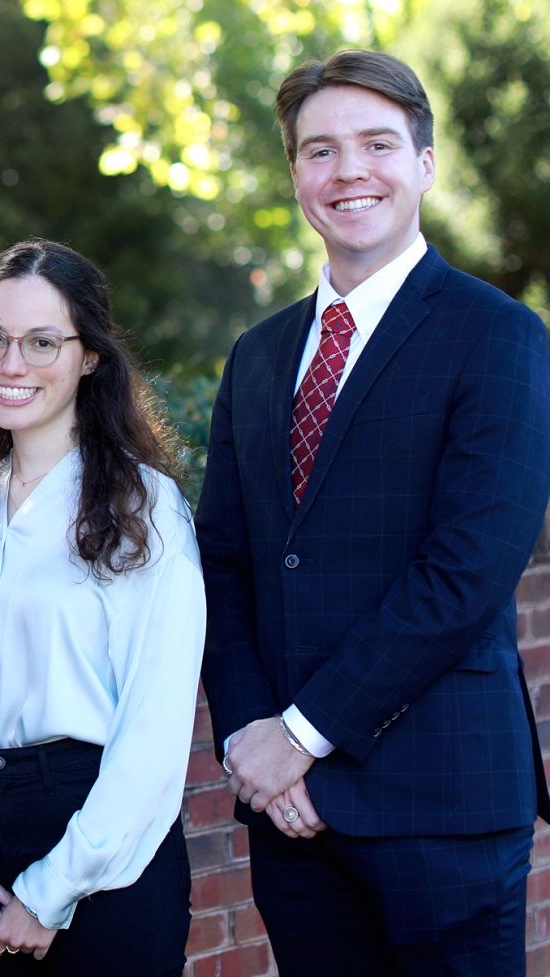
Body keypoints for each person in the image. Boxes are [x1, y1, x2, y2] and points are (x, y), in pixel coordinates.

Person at [197, 49, 550, 975]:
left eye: (377, 144)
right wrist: (249, 739)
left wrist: (302, 736)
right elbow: (223, 560)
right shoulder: (260, 355)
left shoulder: (499, 336)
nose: (349, 170)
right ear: (296, 175)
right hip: (292, 817)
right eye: (321, 150)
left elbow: (466, 571)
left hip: (443, 804)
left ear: (425, 163)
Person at [0, 239, 205, 975]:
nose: (12, 364)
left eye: (43, 341)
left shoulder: (145, 508)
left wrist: (49, 892)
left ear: (90, 356)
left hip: (101, 848)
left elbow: (153, 732)